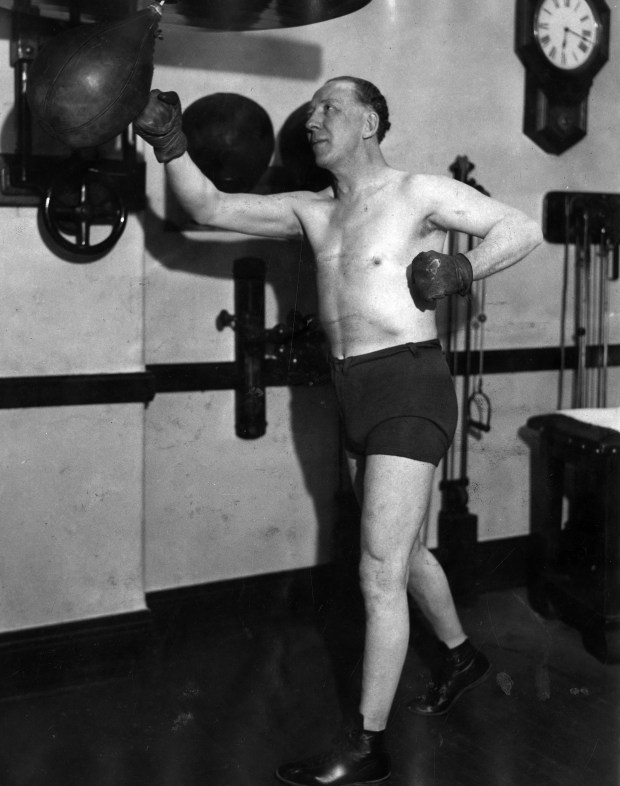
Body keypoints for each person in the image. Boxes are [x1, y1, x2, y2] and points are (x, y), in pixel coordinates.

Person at [134, 76, 542, 786]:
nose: (312, 121)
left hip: (410, 387)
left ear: (371, 124)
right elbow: (205, 204)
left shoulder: (418, 193)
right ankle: (461, 655)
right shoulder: (313, 213)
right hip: (351, 392)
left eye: (329, 109)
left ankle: (365, 744)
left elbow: (522, 227)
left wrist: (464, 266)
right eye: (313, 110)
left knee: (376, 569)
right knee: (406, 552)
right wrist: (170, 143)